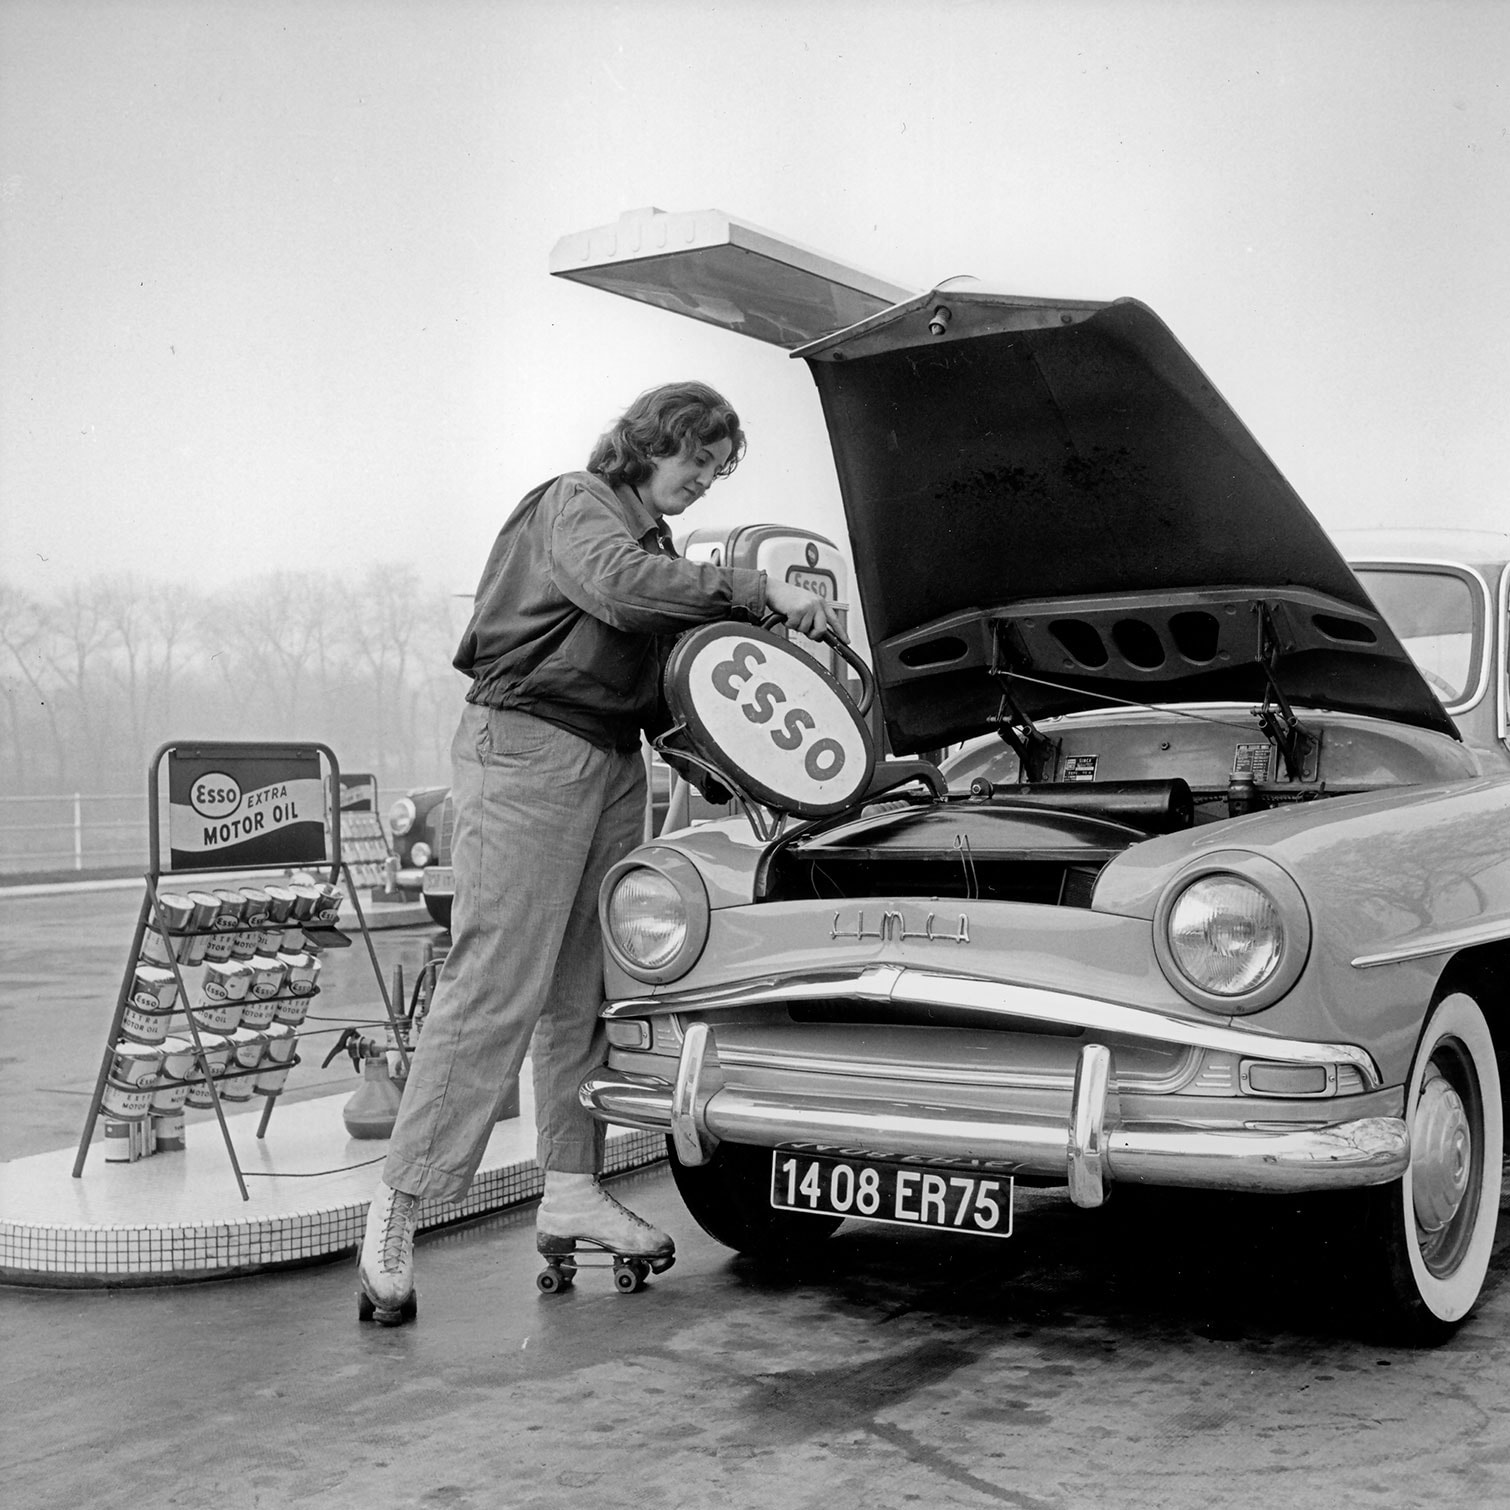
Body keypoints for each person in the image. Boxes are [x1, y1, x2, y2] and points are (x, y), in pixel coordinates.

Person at [358, 381, 840, 1318]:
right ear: (647, 442)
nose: (700, 479)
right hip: (529, 745)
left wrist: (767, 764)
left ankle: (570, 1187)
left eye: (714, 467)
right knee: (498, 980)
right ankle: (398, 1205)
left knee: (587, 992)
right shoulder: (574, 504)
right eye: (691, 457)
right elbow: (616, 591)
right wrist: (755, 589)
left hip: (613, 760)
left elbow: (671, 691)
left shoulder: (658, 549)